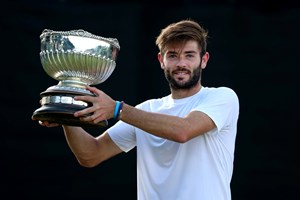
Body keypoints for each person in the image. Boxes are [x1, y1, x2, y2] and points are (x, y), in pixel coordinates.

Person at [34, 19, 239, 200]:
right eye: (173, 55)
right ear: (161, 61)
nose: (181, 63)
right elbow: (91, 154)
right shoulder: (147, 110)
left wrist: (117, 109)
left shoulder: (222, 97)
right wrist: (67, 114)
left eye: (189, 55)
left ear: (203, 60)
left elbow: (183, 131)